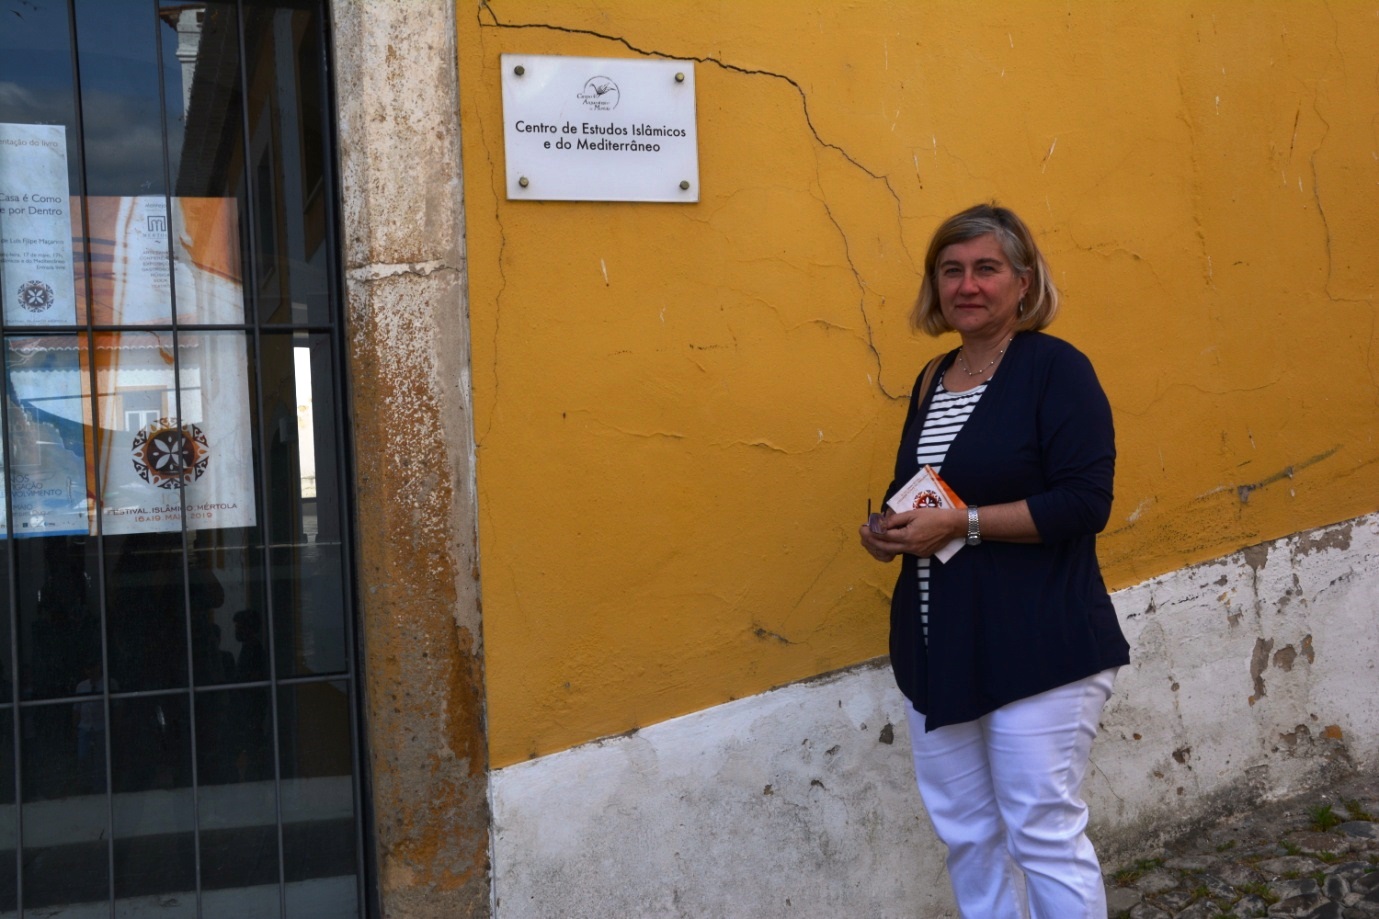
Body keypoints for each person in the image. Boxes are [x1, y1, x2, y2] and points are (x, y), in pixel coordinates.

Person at [858, 203, 1130, 918]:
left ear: (1022, 281)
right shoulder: (930, 377)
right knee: (968, 836)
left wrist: (963, 523)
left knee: (1041, 832)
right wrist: (888, 530)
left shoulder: (1054, 369)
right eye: (951, 270)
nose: (967, 285)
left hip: (1039, 642)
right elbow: (919, 495)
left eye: (986, 268)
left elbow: (1083, 503)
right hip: (939, 642)